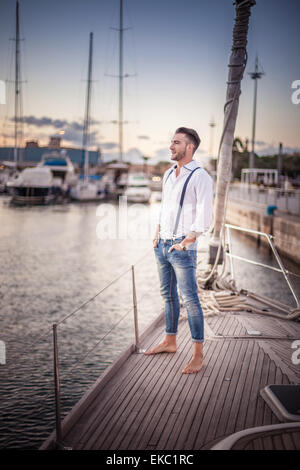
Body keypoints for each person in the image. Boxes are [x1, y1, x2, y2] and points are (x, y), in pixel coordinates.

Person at [145, 127, 213, 374]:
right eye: (171, 142)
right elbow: (166, 209)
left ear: (190, 147)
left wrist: (185, 243)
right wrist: (157, 234)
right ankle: (170, 341)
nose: (171, 146)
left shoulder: (200, 177)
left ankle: (198, 355)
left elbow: (205, 218)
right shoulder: (167, 175)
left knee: (190, 300)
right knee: (168, 296)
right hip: (162, 244)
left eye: (176, 142)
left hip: (182, 248)